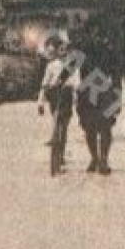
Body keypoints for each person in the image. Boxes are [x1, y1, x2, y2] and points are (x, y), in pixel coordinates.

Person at [74, 29, 123, 175]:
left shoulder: (110, 51)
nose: (97, 37)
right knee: (89, 128)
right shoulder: (82, 50)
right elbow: (69, 67)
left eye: (100, 34)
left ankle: (104, 159)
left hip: (104, 93)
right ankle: (94, 158)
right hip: (86, 94)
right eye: (93, 33)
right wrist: (59, 80)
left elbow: (116, 75)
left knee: (106, 127)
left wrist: (117, 97)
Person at [38, 35, 80, 176]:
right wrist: (41, 101)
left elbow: (76, 84)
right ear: (57, 51)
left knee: (65, 127)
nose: (63, 52)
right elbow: (44, 84)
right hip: (55, 96)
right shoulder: (51, 66)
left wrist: (76, 98)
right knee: (56, 122)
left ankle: (60, 154)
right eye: (60, 49)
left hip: (67, 96)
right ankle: (55, 146)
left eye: (65, 50)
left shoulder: (72, 66)